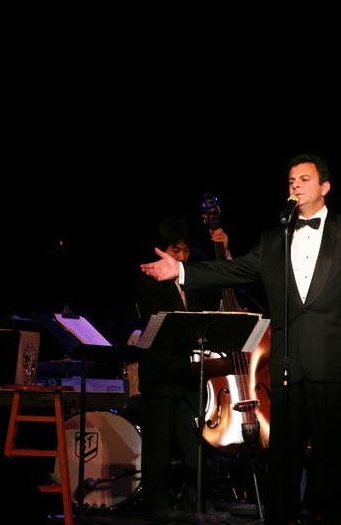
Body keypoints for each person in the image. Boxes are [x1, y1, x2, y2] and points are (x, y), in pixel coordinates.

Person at [141, 154, 341, 524]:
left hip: (334, 364)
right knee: (283, 461)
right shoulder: (273, 239)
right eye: (291, 180)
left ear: (325, 187)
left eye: (304, 179)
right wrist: (181, 271)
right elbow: (233, 269)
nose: (295, 185)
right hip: (287, 365)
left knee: (332, 461)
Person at [135, 217, 227, 517]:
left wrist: (223, 253)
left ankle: (195, 502)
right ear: (161, 250)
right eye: (176, 251)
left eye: (187, 250)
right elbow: (158, 324)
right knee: (158, 447)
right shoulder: (148, 278)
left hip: (190, 374)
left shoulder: (192, 277)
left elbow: (219, 291)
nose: (183, 257)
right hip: (162, 372)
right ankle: (157, 504)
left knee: (195, 446)